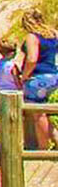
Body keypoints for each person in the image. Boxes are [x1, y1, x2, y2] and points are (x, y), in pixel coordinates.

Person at [20, 9, 58, 149]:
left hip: (38, 78)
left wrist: (24, 76)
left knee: (38, 115)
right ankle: (55, 139)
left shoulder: (32, 37)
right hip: (53, 75)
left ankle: (42, 148)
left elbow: (32, 59)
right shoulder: (53, 33)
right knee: (45, 112)